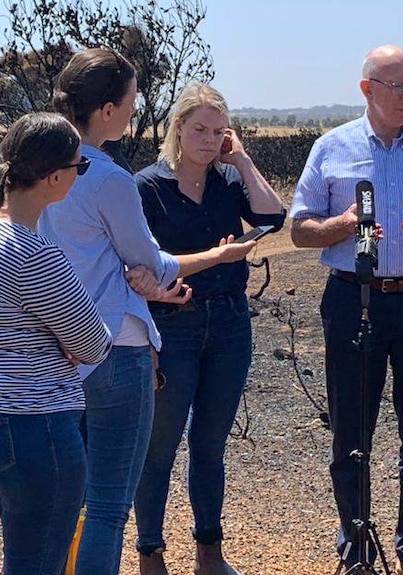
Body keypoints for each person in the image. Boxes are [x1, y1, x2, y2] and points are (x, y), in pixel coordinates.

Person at [38, 48, 255, 575]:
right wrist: (217, 257)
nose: (136, 112)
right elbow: (150, 263)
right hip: (113, 346)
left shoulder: (36, 166)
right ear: (108, 110)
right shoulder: (109, 177)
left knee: (60, 494)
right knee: (108, 503)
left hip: (50, 346)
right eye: (132, 101)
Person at [289, 45, 403, 575]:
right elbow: (299, 228)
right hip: (353, 297)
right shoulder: (332, 147)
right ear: (367, 89)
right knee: (352, 432)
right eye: (397, 87)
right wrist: (341, 225)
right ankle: (357, 547)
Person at [133, 83, 285, 575]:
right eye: (199, 128)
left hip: (229, 323)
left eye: (218, 131)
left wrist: (240, 160)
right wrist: (218, 256)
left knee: (210, 444)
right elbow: (145, 267)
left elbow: (272, 216)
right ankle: (150, 553)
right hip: (171, 324)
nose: (208, 139)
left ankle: (209, 552)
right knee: (158, 446)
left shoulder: (227, 181)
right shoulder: (147, 186)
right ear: (178, 127)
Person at [0, 112, 111, 575]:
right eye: (79, 167)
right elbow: (93, 343)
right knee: (36, 563)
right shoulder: (34, 254)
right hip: (38, 427)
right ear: (54, 177)